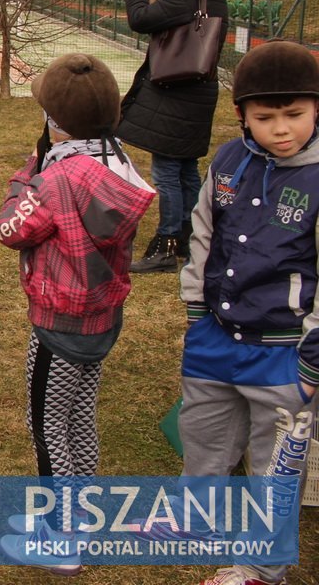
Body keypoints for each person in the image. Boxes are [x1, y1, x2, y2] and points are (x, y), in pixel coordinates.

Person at [0, 54, 154, 576]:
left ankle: (59, 532)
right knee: (79, 415)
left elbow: (10, 229)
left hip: (59, 325)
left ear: (54, 122)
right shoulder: (118, 161)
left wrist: (28, 174)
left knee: (45, 424)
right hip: (101, 319)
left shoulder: (57, 179)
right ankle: (83, 513)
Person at [178, 41, 319, 585]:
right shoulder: (228, 161)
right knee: (204, 435)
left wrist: (310, 362)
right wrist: (196, 310)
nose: (281, 129)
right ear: (242, 116)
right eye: (265, 118)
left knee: (274, 463)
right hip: (215, 336)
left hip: (284, 352)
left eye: (295, 115)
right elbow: (203, 234)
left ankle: (261, 568)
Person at [118, 0, 249, 273]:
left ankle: (166, 244)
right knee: (186, 170)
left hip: (175, 94)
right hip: (196, 92)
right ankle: (194, 237)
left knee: (166, 173)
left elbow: (139, 20)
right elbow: (170, 22)